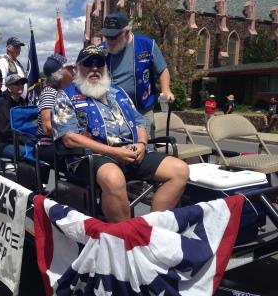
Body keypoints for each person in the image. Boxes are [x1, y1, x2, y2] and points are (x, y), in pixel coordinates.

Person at [52, 45, 189, 222]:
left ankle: (154, 228)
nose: (94, 68)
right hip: (90, 157)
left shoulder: (118, 92)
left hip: (130, 151)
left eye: (99, 63)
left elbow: (139, 121)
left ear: (105, 67)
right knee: (114, 178)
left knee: (180, 170)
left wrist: (141, 143)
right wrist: (114, 152)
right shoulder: (66, 96)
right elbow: (69, 138)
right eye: (88, 64)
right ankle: (124, 236)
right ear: (78, 68)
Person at [101, 12, 174, 138]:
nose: (109, 41)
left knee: (145, 147)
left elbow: (162, 70)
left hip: (142, 109)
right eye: (107, 36)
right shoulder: (101, 50)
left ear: (127, 32)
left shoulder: (147, 45)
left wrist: (166, 90)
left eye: (113, 37)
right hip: (113, 110)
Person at [36, 54, 74, 166]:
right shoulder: (49, 93)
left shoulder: (65, 93)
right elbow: (47, 128)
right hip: (49, 145)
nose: (73, 71)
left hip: (63, 142)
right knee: (84, 158)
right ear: (60, 74)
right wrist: (73, 135)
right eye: (70, 69)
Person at [0, 72, 29, 160]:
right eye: (17, 84)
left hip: (20, 139)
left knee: (41, 149)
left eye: (22, 83)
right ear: (9, 87)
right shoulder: (3, 105)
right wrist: (25, 139)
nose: (21, 86)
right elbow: (6, 131)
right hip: (2, 143)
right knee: (29, 152)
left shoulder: (22, 102)